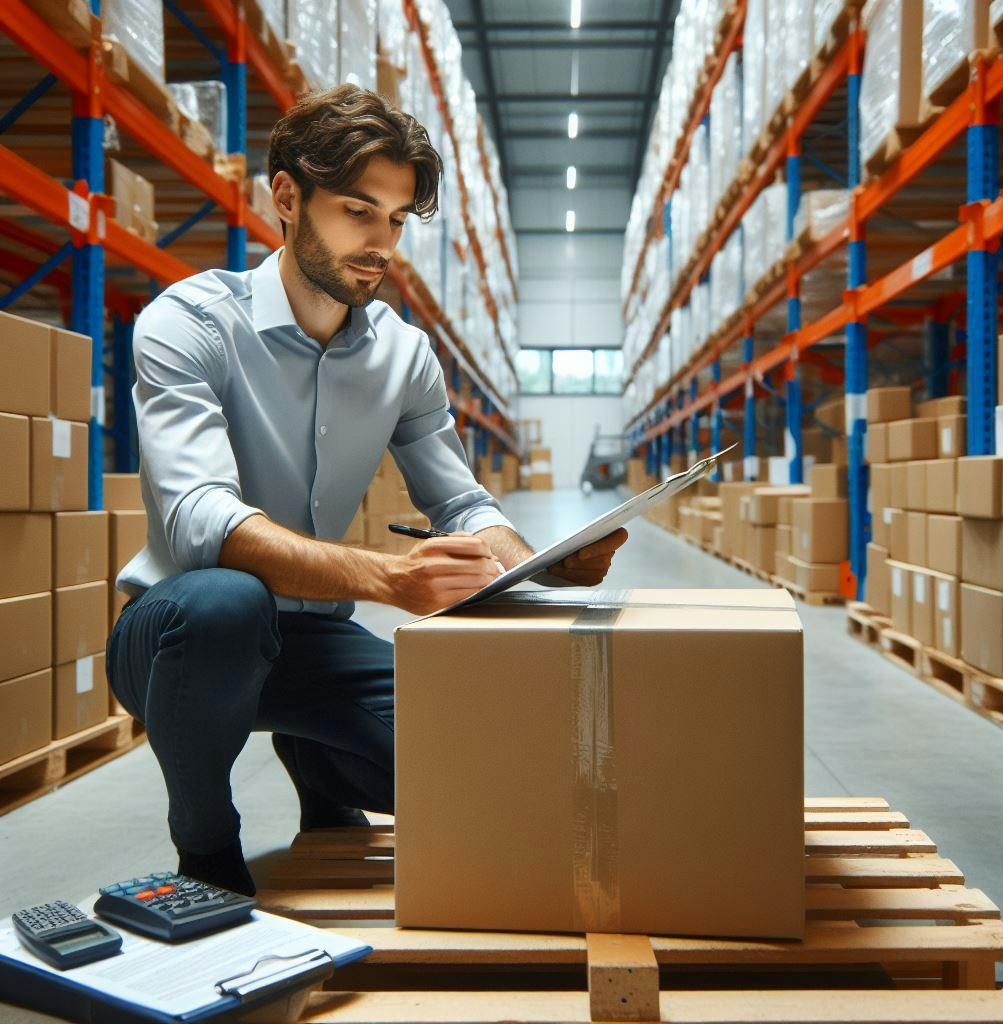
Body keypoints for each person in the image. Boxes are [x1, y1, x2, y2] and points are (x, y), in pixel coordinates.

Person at [105, 84, 627, 897]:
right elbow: (197, 519)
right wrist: (388, 579)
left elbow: (461, 504)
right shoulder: (193, 322)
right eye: (358, 210)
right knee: (227, 606)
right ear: (286, 197)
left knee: (458, 770)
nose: (381, 243)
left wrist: (543, 563)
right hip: (177, 634)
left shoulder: (405, 355)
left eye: (396, 218)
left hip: (311, 641)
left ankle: (318, 765)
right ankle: (205, 844)